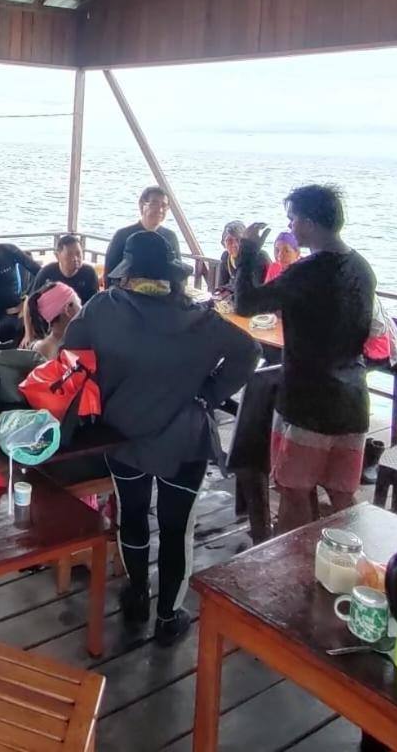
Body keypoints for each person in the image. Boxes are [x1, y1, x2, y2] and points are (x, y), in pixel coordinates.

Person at [65, 231, 258, 644]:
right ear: (172, 275)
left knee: (131, 517)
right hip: (183, 441)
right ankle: (169, 617)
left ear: (128, 273)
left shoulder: (102, 309)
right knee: (176, 529)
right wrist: (209, 391)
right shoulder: (202, 319)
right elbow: (248, 352)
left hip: (122, 436)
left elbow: (71, 349)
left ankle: (137, 594)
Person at [233, 185, 376, 535]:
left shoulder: (307, 272)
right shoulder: (361, 267)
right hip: (353, 401)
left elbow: (246, 304)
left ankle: (290, 574)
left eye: (293, 219)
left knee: (294, 492)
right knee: (343, 496)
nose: (292, 227)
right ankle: (357, 566)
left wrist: (250, 250)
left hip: (309, 403)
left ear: (310, 223)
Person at [104, 186, 181, 285]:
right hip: (127, 296)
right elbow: (109, 274)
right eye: (154, 203)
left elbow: (178, 275)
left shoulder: (170, 237)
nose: (160, 209)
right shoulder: (122, 235)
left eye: (164, 205)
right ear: (141, 205)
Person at [34, 234, 99, 306]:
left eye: (78, 254)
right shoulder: (46, 273)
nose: (75, 259)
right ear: (57, 256)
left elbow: (95, 305)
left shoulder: (89, 273)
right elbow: (33, 301)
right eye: (70, 254)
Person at [23, 281, 82, 359]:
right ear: (68, 309)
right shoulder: (73, 347)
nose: (82, 307)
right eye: (78, 303)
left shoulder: (39, 347)